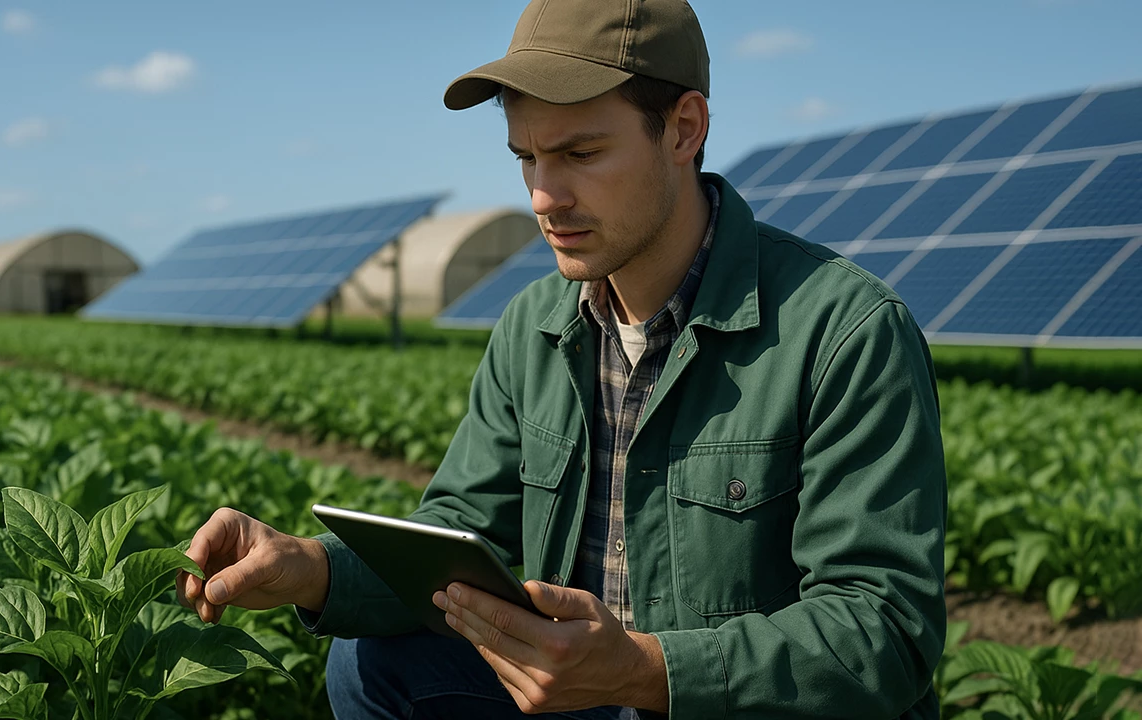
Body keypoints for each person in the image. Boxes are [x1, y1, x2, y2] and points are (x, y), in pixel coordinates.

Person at [176, 0, 948, 717]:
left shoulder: (844, 329)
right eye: (527, 159)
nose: (544, 196)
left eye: (580, 153)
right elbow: (463, 528)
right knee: (370, 663)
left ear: (684, 129)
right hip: (582, 700)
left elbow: (883, 625)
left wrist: (647, 668)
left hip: (712, 703)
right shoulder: (533, 327)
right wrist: (310, 565)